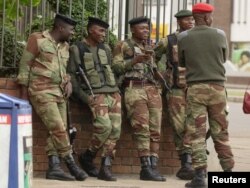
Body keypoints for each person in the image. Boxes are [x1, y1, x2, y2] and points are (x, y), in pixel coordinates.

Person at [17, 14, 88, 181]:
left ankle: (54, 167)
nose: (72, 33)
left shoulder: (65, 47)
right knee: (58, 129)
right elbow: (24, 66)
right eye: (70, 30)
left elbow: (63, 69)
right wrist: (22, 97)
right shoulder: (37, 39)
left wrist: (68, 81)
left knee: (58, 129)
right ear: (60, 28)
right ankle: (71, 164)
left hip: (59, 92)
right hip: (41, 90)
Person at [177, 3, 235, 188]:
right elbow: (223, 58)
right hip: (217, 88)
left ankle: (200, 177)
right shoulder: (220, 35)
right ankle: (228, 173)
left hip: (195, 89)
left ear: (195, 18)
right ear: (208, 17)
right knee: (221, 132)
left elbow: (182, 62)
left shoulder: (184, 37)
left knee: (197, 134)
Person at [67, 17, 121, 181]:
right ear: (91, 30)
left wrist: (117, 89)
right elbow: (72, 77)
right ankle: (88, 156)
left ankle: (106, 166)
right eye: (101, 30)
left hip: (113, 93)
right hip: (95, 95)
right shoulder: (77, 48)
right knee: (104, 127)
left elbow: (111, 70)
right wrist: (85, 97)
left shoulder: (106, 48)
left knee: (116, 131)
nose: (104, 34)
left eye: (105, 31)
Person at [112, 16, 166, 181]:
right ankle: (145, 168)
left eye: (147, 28)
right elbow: (116, 67)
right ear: (133, 30)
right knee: (142, 130)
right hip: (134, 88)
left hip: (152, 89)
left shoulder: (149, 46)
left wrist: (159, 78)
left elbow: (156, 69)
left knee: (155, 130)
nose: (146, 31)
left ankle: (153, 166)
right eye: (142, 28)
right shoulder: (123, 45)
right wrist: (134, 60)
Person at [154, 9, 195, 180]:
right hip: (176, 89)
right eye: (187, 20)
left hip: (194, 88)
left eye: (192, 19)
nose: (191, 22)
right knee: (179, 127)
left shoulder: (197, 38)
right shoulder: (169, 40)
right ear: (179, 22)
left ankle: (193, 162)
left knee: (193, 126)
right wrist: (160, 73)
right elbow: (152, 57)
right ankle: (186, 163)